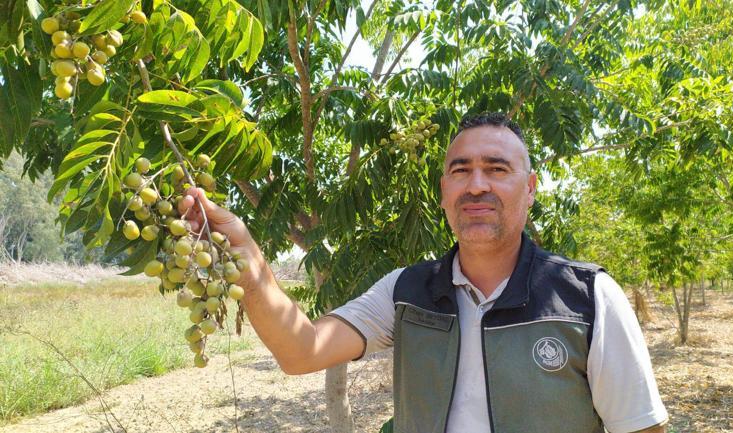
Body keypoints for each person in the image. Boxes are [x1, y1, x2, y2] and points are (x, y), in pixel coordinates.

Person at [179, 112, 668, 433]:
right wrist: (245, 257)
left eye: (497, 169)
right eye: (461, 170)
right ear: (443, 190)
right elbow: (301, 349)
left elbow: (641, 427)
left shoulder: (587, 297)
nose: (477, 185)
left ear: (531, 188)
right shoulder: (406, 291)